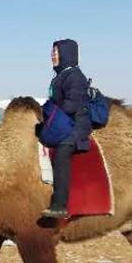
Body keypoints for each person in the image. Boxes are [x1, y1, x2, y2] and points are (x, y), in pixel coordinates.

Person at [41, 38, 91, 221]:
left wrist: (51, 111)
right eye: (52, 52)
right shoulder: (60, 76)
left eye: (56, 52)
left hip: (75, 126)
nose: (52, 56)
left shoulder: (75, 76)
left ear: (66, 54)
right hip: (62, 122)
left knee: (62, 153)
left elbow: (72, 104)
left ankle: (60, 205)